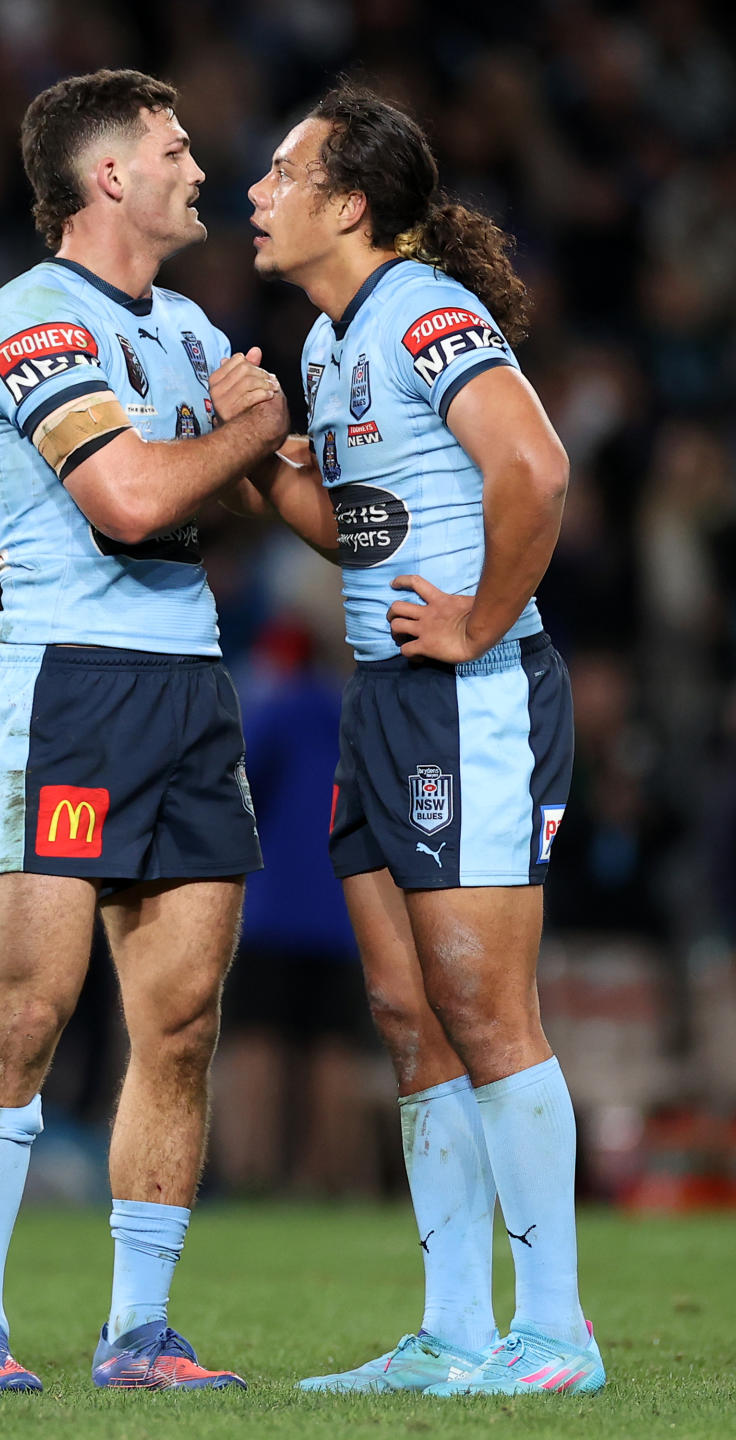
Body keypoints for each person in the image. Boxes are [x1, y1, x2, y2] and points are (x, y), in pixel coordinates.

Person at [210, 82, 605, 1396]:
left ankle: (556, 1334)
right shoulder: (332, 346)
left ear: (351, 201)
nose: (256, 191)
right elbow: (355, 531)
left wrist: (485, 623)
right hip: (385, 699)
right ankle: (454, 1330)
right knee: (405, 1010)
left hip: (465, 697)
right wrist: (261, 457)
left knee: (485, 1005)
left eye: (282, 172)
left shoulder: (432, 314)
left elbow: (534, 466)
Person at [0, 68, 289, 1395]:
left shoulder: (194, 329)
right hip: (71, 690)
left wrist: (256, 449)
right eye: (173, 146)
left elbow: (220, 503)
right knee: (30, 1010)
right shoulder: (32, 320)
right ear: (110, 180)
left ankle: (139, 1333)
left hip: (190, 690)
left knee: (184, 1020)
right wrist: (249, 429)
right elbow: (133, 499)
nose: (200, 163)